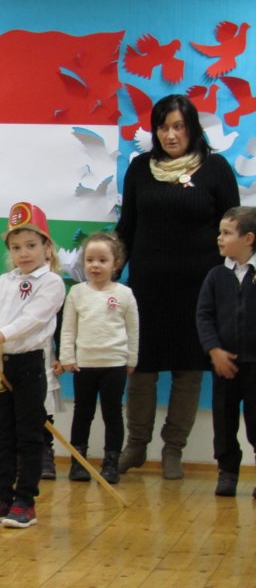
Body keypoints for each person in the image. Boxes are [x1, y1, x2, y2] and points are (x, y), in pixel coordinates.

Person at [116, 94, 239, 479]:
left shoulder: (216, 168)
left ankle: (173, 450)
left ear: (192, 129)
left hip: (198, 292)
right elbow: (127, 229)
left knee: (189, 371)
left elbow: (232, 231)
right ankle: (136, 446)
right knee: (141, 368)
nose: (170, 135)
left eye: (178, 127)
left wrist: (232, 286)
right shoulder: (140, 169)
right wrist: (107, 280)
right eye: (163, 127)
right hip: (146, 290)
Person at [0, 202, 65, 529]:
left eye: (31, 245)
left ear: (47, 247)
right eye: (17, 247)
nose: (24, 253)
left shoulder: (52, 282)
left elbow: (33, 319)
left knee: (29, 435)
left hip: (29, 366)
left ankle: (25, 502)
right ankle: (0, 499)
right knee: (3, 434)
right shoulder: (6, 280)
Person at [60, 232, 139, 486]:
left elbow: (133, 330)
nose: (95, 265)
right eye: (90, 260)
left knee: (112, 414)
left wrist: (131, 359)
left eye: (102, 260)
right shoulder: (77, 293)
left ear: (116, 264)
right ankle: (78, 463)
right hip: (84, 365)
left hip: (114, 365)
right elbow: (68, 329)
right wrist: (67, 356)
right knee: (82, 413)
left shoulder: (125, 294)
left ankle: (111, 464)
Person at [196, 206, 256, 497]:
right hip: (225, 365)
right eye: (220, 232)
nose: (219, 238)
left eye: (227, 233)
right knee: (224, 421)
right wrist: (214, 349)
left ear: (248, 238)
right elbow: (204, 315)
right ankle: (228, 471)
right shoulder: (216, 275)